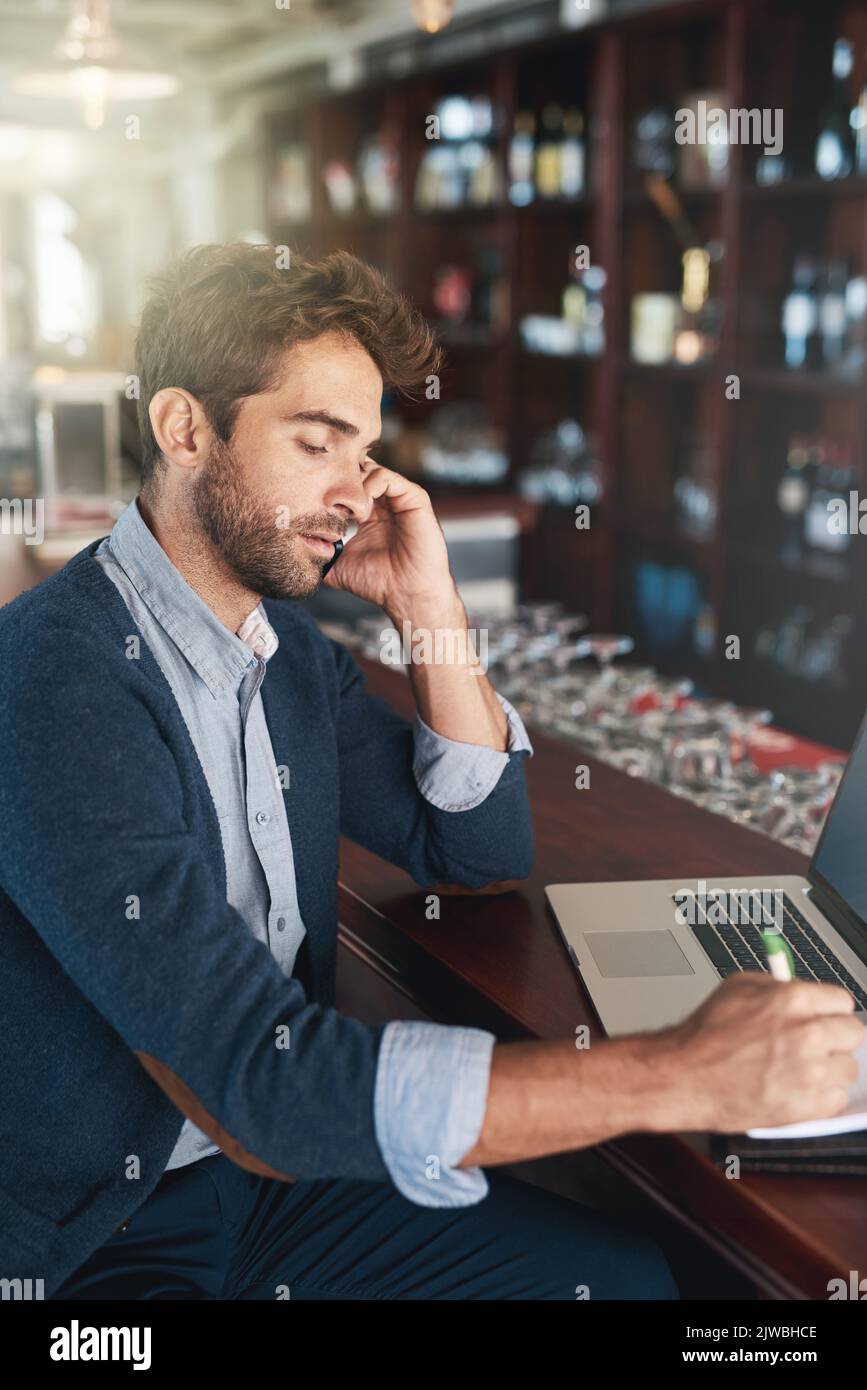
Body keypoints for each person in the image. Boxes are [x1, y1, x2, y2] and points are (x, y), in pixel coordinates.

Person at [1, 245, 861, 1301]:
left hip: (270, 1184)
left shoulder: (286, 652)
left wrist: (431, 611)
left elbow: (480, 849)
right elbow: (256, 1084)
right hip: (97, 1241)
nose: (352, 494)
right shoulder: (55, 681)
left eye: (363, 454)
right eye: (316, 443)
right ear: (186, 429)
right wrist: (682, 1071)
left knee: (630, 1282)